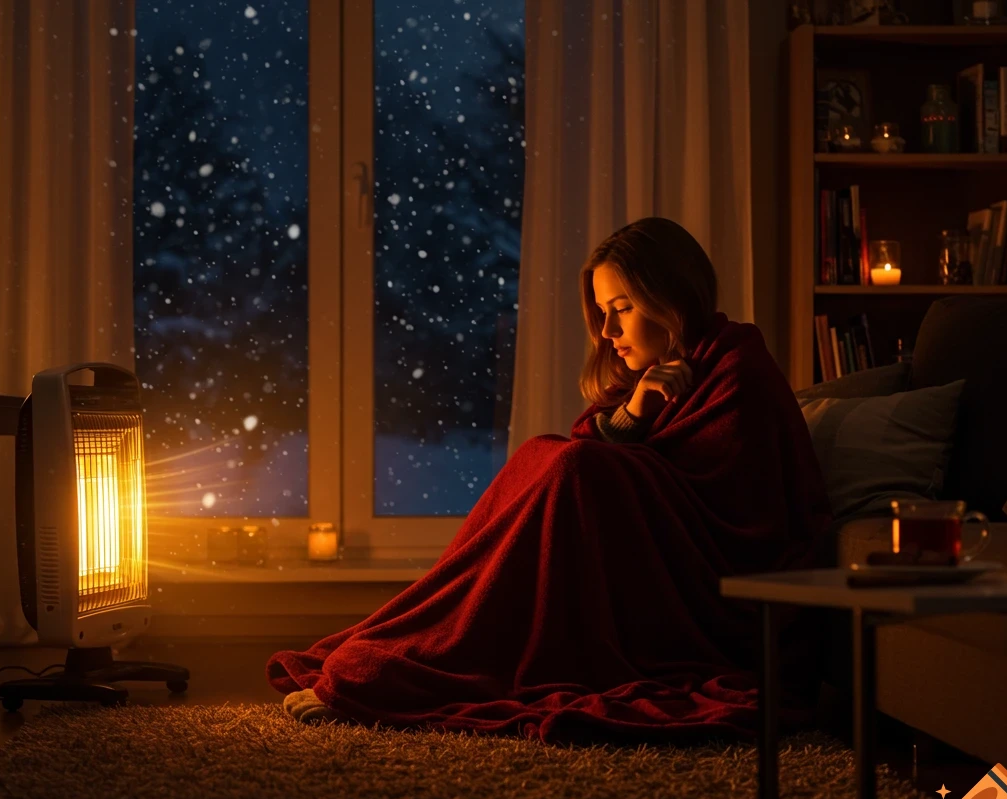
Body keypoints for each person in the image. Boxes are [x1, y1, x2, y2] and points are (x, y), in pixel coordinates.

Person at [270, 217, 833, 742]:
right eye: (603, 311)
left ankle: (440, 658)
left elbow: (738, 514)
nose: (608, 330)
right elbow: (603, 455)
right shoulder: (648, 377)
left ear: (673, 299)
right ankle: (430, 640)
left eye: (623, 308)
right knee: (545, 453)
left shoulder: (738, 368)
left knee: (576, 465)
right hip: (651, 566)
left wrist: (625, 455)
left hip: (715, 597)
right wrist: (633, 413)